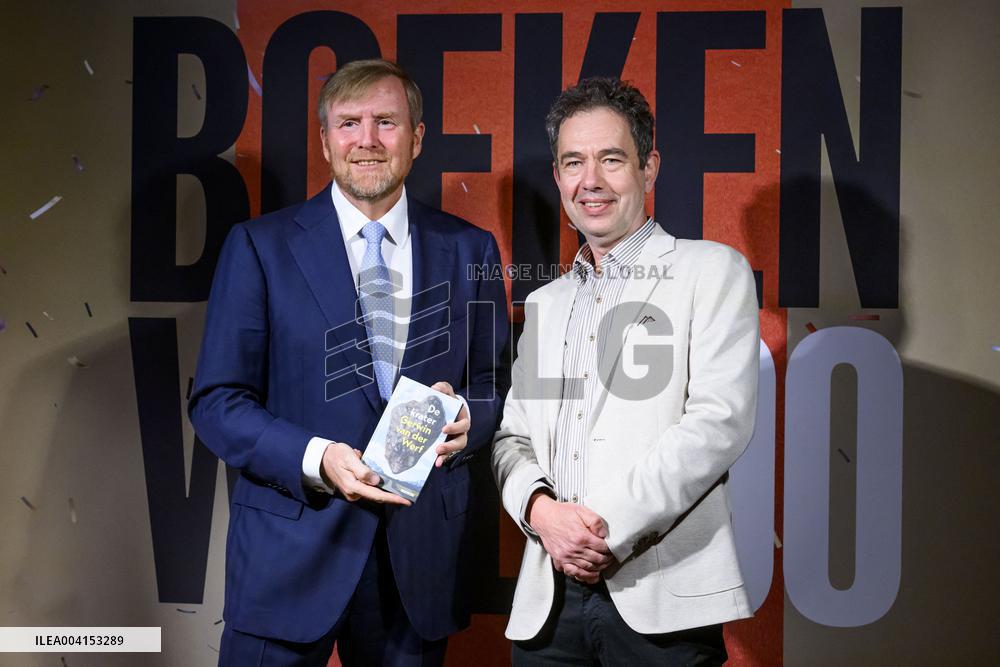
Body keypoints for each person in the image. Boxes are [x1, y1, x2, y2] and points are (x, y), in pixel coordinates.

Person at [189, 58, 508, 666]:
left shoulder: (472, 249)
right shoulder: (259, 247)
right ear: (325, 139)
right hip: (288, 556)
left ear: (416, 138)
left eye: (386, 122)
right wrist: (318, 457)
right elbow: (217, 402)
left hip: (416, 565)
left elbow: (494, 384)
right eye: (349, 123)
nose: (367, 140)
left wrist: (470, 416)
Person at [491, 77, 759, 664]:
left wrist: (602, 527)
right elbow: (513, 438)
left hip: (662, 599)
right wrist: (541, 514)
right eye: (573, 162)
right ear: (559, 178)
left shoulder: (710, 272)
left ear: (649, 167)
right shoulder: (546, 304)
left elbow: (719, 423)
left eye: (611, 159)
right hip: (547, 605)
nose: (591, 181)